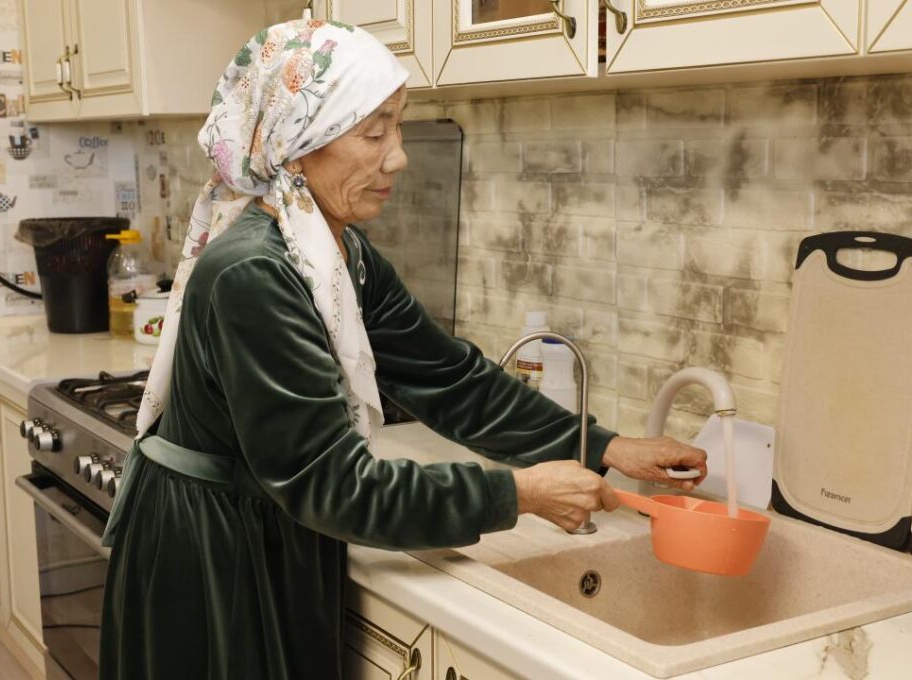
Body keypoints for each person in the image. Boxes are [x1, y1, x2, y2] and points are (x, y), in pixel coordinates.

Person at [98, 18, 707, 679]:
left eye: (398, 126)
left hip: (264, 529)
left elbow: (450, 380)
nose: (398, 157)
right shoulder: (254, 273)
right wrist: (518, 494)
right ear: (299, 145)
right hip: (212, 554)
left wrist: (605, 447)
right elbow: (332, 484)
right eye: (373, 132)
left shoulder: (335, 252)